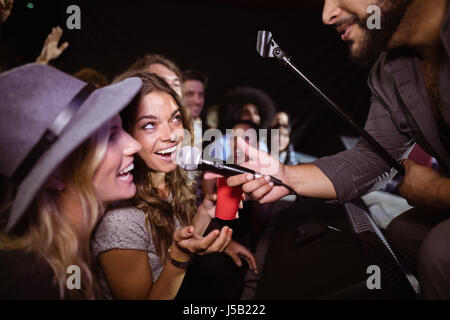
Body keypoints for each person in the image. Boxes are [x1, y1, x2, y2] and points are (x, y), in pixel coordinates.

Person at [219, 0, 450, 299]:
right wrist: (286, 175)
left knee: (438, 250)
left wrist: (439, 192)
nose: (327, 15)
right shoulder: (389, 71)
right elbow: (373, 157)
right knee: (402, 232)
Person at [91, 71, 257, 300]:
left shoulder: (169, 180)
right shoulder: (120, 221)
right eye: (149, 125)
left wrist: (203, 213)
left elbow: (183, 239)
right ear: (125, 134)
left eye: (175, 118)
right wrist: (179, 259)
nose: (171, 135)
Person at [0, 63, 143, 299]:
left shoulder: (70, 256)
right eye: (111, 137)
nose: (134, 145)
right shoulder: (31, 283)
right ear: (56, 174)